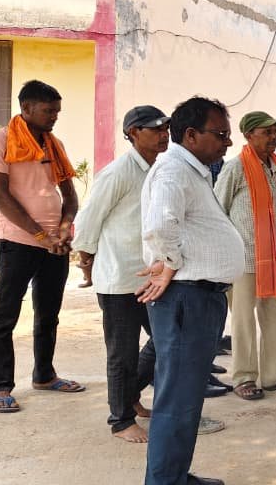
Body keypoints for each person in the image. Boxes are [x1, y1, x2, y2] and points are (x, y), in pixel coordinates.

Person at [137, 96, 245, 485]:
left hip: (198, 297)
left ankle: (174, 476)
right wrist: (170, 263)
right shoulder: (173, 171)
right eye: (220, 135)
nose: (226, 143)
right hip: (186, 298)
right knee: (177, 402)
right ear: (190, 134)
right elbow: (160, 224)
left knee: (185, 399)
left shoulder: (191, 169)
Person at [0, 79, 83, 413]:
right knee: (4, 315)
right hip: (19, 242)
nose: (54, 117)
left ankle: (44, 375)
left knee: (48, 314)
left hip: (56, 244)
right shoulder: (0, 141)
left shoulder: (54, 145)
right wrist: (41, 235)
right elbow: (0, 195)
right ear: (26, 108)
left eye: (57, 112)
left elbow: (69, 195)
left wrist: (64, 228)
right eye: (48, 111)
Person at [70, 105, 169, 441]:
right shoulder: (118, 172)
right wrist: (87, 261)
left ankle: (130, 396)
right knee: (122, 352)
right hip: (119, 279)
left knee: (163, 340)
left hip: (150, 277)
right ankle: (121, 421)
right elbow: (87, 222)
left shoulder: (161, 168)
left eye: (165, 128)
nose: (163, 135)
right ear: (132, 134)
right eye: (154, 129)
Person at [215, 111, 276, 400]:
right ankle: (244, 378)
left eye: (275, 132)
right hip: (243, 261)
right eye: (266, 132)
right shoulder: (235, 169)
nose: (273, 137)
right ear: (248, 135)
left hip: (273, 259)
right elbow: (217, 211)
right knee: (244, 321)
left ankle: (272, 376)